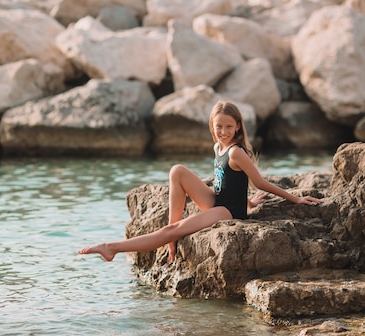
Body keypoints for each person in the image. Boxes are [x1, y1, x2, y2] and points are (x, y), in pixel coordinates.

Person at [78, 100, 323, 262]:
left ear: (238, 127)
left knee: (169, 229)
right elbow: (229, 183)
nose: (224, 132)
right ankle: (172, 235)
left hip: (228, 211)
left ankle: (114, 247)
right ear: (212, 126)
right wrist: (249, 202)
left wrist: (296, 198)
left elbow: (260, 182)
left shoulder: (236, 152)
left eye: (229, 127)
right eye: (219, 127)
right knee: (177, 171)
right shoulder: (219, 146)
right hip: (219, 200)